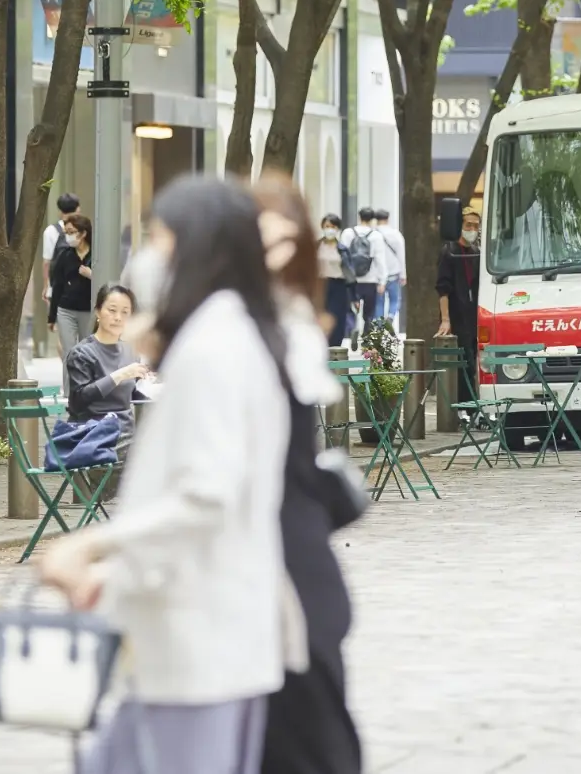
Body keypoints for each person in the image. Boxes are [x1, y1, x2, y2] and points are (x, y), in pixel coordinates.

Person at [40, 175, 291, 774]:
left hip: (197, 646)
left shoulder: (214, 348)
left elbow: (206, 497)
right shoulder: (225, 336)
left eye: (159, 238)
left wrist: (93, 544)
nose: (147, 255)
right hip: (192, 637)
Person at [253, 176, 362, 774]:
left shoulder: (282, 328)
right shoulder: (257, 323)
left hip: (290, 577)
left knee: (315, 746)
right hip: (272, 577)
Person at [65, 284, 146, 437]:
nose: (118, 318)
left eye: (125, 312)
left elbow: (131, 394)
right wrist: (120, 375)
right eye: (112, 310)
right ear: (98, 312)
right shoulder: (82, 353)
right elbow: (78, 401)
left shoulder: (131, 351)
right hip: (93, 436)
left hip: (126, 434)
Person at [435, 205, 481, 394]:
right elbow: (443, 288)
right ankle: (464, 407)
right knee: (464, 363)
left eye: (476, 226)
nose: (472, 230)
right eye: (468, 225)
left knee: (475, 361)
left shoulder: (478, 252)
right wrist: (446, 319)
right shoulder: (450, 251)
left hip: (475, 314)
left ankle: (473, 405)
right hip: (457, 313)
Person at [50, 213, 94, 389]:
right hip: (66, 309)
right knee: (69, 352)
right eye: (66, 232)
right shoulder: (65, 255)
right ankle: (69, 393)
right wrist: (51, 317)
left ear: (83, 233)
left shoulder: (96, 254)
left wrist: (92, 275)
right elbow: (57, 286)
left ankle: (87, 389)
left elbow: (107, 281)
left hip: (88, 309)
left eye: (71, 231)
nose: (68, 236)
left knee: (88, 351)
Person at [340, 208, 387, 340]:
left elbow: (342, 257)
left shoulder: (348, 233)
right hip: (370, 280)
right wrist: (382, 281)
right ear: (372, 219)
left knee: (350, 310)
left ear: (359, 217)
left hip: (351, 279)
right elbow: (380, 259)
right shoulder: (376, 236)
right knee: (369, 312)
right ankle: (366, 335)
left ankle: (352, 329)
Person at [317, 214, 353, 346]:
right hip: (321, 285)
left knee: (337, 317)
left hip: (339, 285)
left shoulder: (342, 249)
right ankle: (321, 344)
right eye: (327, 226)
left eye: (333, 227)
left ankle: (335, 347)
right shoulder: (317, 246)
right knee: (321, 315)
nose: (330, 229)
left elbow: (350, 272)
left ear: (338, 229)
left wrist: (354, 296)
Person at [374, 209, 406, 331]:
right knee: (395, 300)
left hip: (378, 276)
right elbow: (401, 255)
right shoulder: (396, 234)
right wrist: (403, 274)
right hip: (394, 273)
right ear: (388, 219)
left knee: (379, 303)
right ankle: (391, 317)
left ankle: (379, 328)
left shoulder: (373, 234)